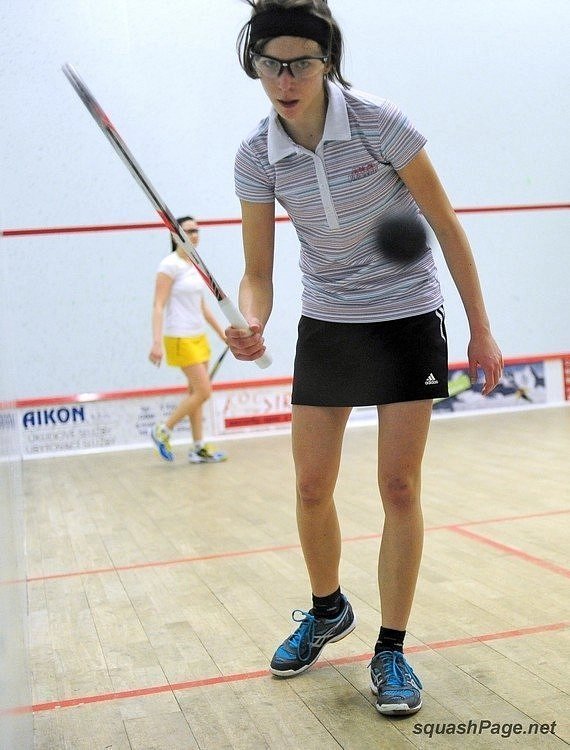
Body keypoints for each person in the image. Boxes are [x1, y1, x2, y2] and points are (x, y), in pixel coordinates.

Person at [226, 0, 504, 717]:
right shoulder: (257, 156)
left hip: (407, 316)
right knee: (311, 485)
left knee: (399, 487)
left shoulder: (381, 123)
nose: (286, 79)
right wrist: (250, 320)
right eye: (271, 65)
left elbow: (446, 224)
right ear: (255, 66)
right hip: (329, 321)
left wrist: (480, 329)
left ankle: (392, 649)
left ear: (327, 63)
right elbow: (257, 272)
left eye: (301, 63)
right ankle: (328, 611)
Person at [149, 216, 228, 464]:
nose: (194, 235)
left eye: (197, 230)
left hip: (198, 337)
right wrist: (156, 342)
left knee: (196, 393)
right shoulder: (169, 265)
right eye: (189, 231)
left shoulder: (195, 264)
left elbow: (202, 306)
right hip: (179, 338)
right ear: (176, 235)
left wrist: (222, 333)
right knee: (204, 392)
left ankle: (198, 447)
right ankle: (163, 430)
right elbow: (158, 305)